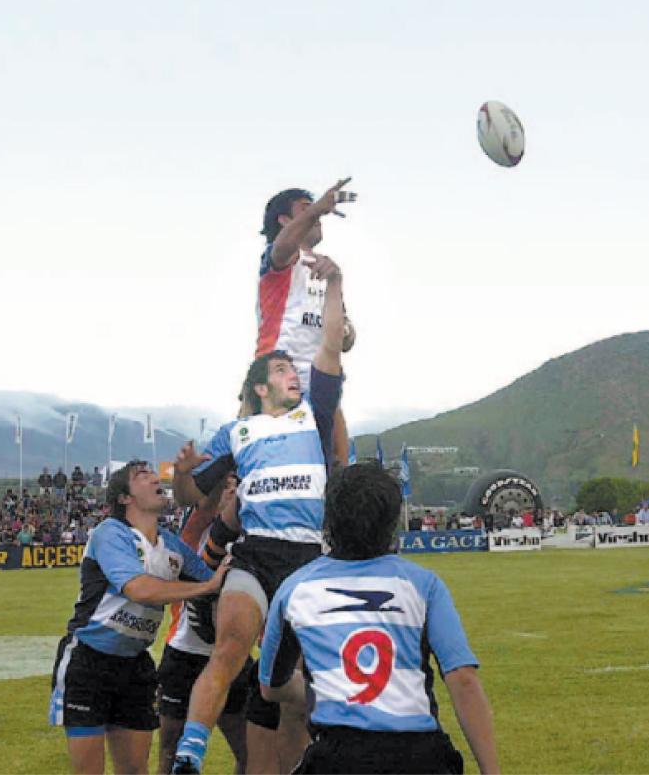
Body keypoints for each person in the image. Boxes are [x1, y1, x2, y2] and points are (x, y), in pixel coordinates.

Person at [169, 251, 347, 774]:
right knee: (227, 652)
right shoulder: (236, 432)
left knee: (307, 679)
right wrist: (181, 472)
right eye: (282, 368)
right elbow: (192, 499)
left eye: (295, 367)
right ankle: (189, 757)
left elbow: (331, 342)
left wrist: (334, 284)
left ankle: (322, 746)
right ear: (260, 388)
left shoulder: (314, 413)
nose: (294, 371)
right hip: (255, 557)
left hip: (308, 559)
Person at [259, 463, 499, 774]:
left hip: (337, 757)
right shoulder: (424, 585)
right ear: (391, 522)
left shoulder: (294, 589)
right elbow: (464, 681)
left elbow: (271, 687)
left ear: (328, 517)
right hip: (421, 757)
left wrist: (319, 690)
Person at [49, 461, 226, 775]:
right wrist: (208, 586)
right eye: (142, 476)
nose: (155, 478)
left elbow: (214, 584)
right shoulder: (110, 533)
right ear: (124, 498)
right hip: (88, 661)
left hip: (134, 666)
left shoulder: (171, 545)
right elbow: (139, 589)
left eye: (154, 475)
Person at [252, 180, 355, 462]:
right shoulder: (278, 258)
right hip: (278, 381)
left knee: (333, 467)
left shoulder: (326, 268)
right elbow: (283, 246)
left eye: (318, 210)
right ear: (284, 220)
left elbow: (346, 339)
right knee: (281, 466)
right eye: (306, 210)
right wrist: (318, 209)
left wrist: (344, 330)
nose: (319, 215)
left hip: (322, 381)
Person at [156, 477, 251, 774]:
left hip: (231, 653)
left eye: (237, 485)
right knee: (170, 750)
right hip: (184, 654)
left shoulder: (251, 536)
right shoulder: (193, 532)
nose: (234, 490)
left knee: (249, 751)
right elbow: (204, 505)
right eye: (227, 485)